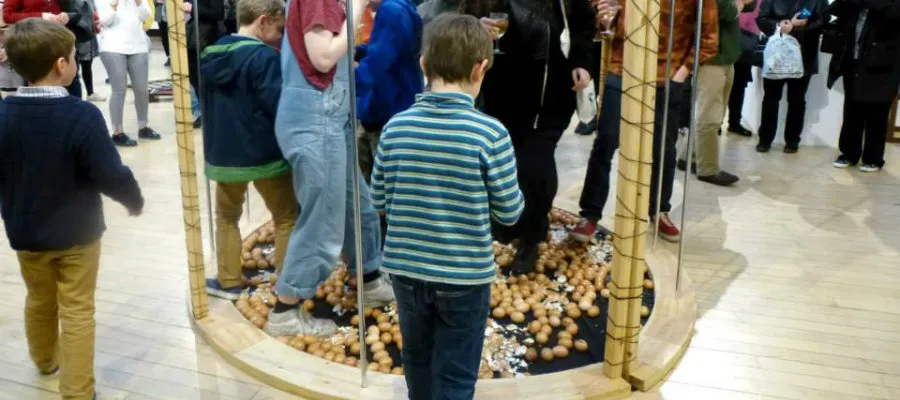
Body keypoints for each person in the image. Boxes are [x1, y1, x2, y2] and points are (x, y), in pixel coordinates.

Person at [372, 14, 523, 399]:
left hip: (405, 271)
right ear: (480, 68)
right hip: (464, 278)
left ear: (422, 65)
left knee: (417, 360)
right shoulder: (491, 134)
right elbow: (509, 213)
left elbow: (378, 200)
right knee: (455, 375)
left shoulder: (395, 127)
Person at [0, 18, 144, 400]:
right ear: (62, 65)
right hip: (77, 235)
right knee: (77, 310)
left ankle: (45, 360)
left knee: (39, 298)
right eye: (72, 57)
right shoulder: (81, 115)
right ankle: (78, 391)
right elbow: (109, 173)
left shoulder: (4, 115)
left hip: (25, 232)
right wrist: (133, 200)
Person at [268, 0, 395, 337]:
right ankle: (286, 307)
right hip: (316, 120)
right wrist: (358, 6)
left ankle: (367, 278)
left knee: (359, 205)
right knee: (323, 220)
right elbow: (322, 57)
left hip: (328, 117)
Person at [573, 0, 718, 243]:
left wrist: (681, 74)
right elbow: (602, 27)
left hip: (667, 76)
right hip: (622, 69)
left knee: (663, 149)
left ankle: (659, 209)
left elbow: (709, 40)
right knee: (606, 141)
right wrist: (604, 19)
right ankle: (589, 213)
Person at [481, 0, 594, 274]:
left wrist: (582, 62)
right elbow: (457, 13)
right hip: (503, 87)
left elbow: (582, 23)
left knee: (536, 163)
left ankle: (532, 234)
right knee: (510, 158)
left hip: (549, 93)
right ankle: (510, 223)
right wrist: (475, 26)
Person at [200, 0, 296, 299]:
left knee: (226, 216)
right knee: (286, 217)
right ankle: (287, 287)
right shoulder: (265, 58)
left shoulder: (210, 53)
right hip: (264, 153)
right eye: (279, 29)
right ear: (263, 21)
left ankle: (228, 281)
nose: (281, 36)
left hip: (223, 155)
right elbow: (277, 105)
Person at [683, 0, 756, 187]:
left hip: (725, 58)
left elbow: (750, 5)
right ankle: (707, 169)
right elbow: (728, 11)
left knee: (711, 112)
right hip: (711, 58)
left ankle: (688, 157)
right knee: (710, 116)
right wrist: (738, 4)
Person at [826, 0, 900, 172]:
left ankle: (873, 158)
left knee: (877, 112)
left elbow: (894, 14)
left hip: (882, 61)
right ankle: (848, 154)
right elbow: (835, 9)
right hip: (853, 58)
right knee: (852, 109)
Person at [355, 0, 423, 183]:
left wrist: (345, 82)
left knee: (380, 189)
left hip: (387, 113)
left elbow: (378, 63)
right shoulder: (401, 7)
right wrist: (359, 51)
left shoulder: (391, 11)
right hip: (391, 107)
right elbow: (389, 50)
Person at [755, 0, 828, 153]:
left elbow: (823, 21)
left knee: (797, 100)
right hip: (776, 55)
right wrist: (782, 25)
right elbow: (761, 19)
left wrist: (800, 27)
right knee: (770, 98)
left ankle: (792, 141)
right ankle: (765, 139)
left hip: (804, 55)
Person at [96, 0, 162, 146]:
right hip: (112, 46)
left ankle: (143, 126)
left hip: (138, 45)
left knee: (141, 89)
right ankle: (117, 131)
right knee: (119, 89)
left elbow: (147, 15)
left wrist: (139, 3)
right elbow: (104, 20)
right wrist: (114, 4)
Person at [3, 0, 85, 97]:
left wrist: (67, 16)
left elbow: (74, 9)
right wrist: (41, 15)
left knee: (71, 79)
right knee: (37, 80)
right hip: (34, 43)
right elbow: (8, 16)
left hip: (60, 38)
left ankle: (75, 108)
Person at [726, 2, 761, 137]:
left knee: (739, 85)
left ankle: (734, 122)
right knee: (721, 83)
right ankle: (718, 122)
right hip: (729, 38)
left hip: (747, 43)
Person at [71, 0, 105, 102]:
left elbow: (92, 12)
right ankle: (75, 96)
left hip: (88, 33)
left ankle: (90, 92)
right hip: (77, 32)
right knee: (74, 67)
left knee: (87, 64)